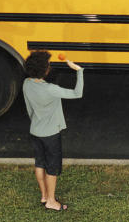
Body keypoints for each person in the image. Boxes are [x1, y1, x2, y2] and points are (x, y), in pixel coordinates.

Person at [22, 50, 85, 212]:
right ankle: (51, 201)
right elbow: (77, 93)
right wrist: (79, 71)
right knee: (52, 168)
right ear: (45, 70)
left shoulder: (26, 84)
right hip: (50, 135)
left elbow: (30, 110)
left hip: (35, 131)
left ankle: (44, 196)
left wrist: (36, 123)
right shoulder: (51, 89)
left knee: (40, 163)